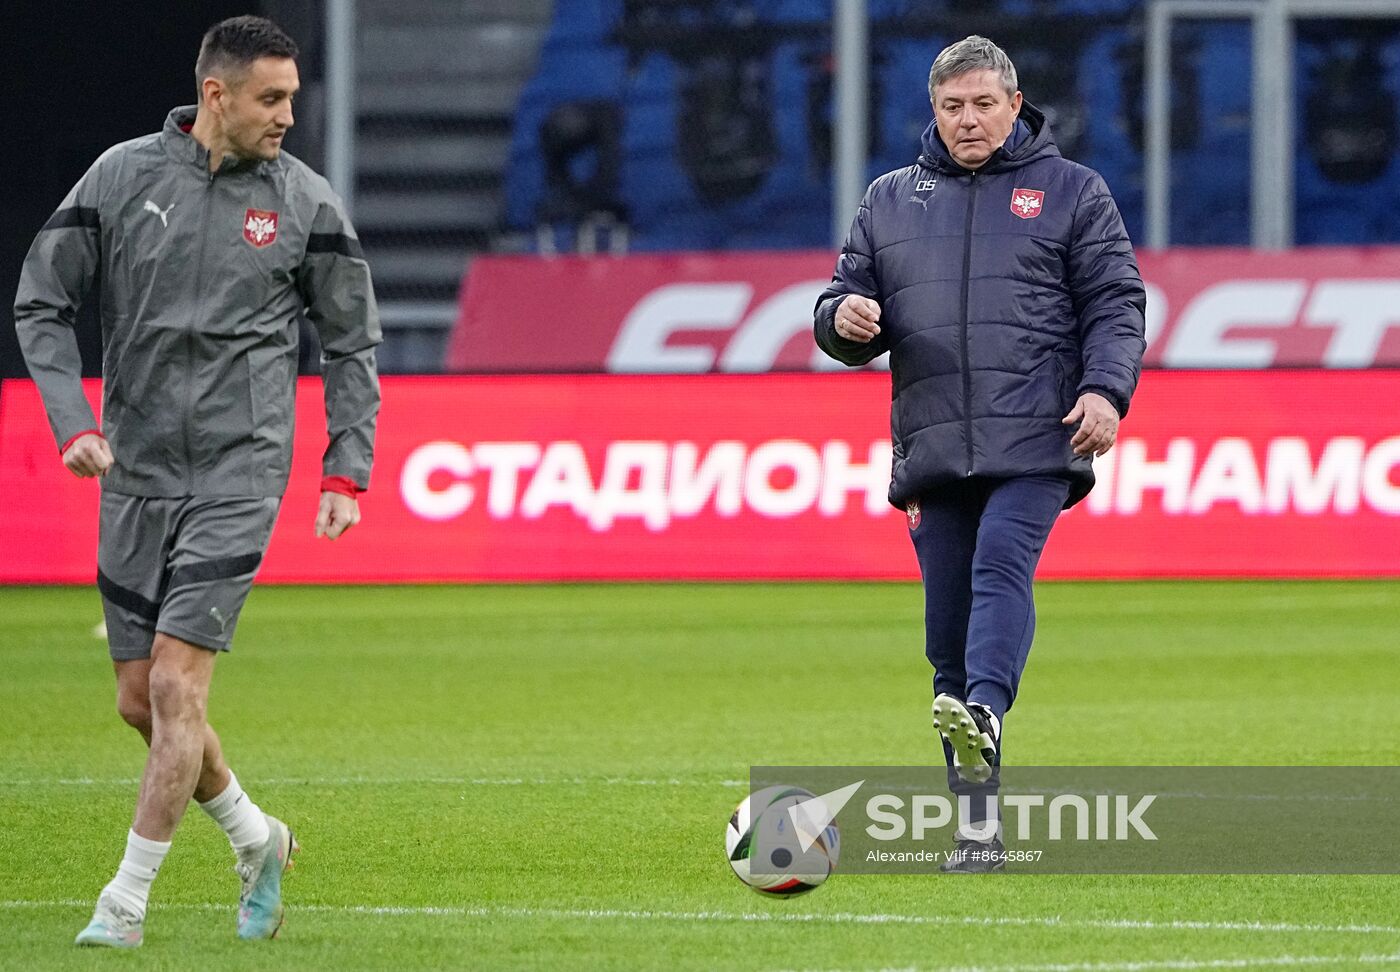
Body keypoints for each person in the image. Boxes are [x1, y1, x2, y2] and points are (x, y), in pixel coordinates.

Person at [14, 16, 381, 944]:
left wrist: (345, 468)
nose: (288, 115)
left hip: (240, 472)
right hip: (133, 472)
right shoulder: (122, 178)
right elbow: (41, 301)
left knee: (179, 686)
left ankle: (125, 902)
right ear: (215, 94)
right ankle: (259, 839)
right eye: (270, 98)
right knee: (138, 701)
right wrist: (72, 421)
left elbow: (351, 341)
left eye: (292, 96)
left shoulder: (304, 202)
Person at [814, 35, 1145, 873]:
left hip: (1037, 433)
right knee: (946, 638)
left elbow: (1116, 302)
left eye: (983, 105)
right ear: (934, 110)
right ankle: (977, 829)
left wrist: (1106, 392)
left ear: (1015, 104)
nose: (968, 120)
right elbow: (844, 300)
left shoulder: (1073, 192)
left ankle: (988, 713)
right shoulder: (890, 199)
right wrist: (842, 321)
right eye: (952, 106)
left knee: (1002, 563)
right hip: (932, 439)